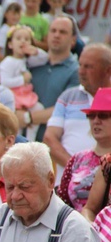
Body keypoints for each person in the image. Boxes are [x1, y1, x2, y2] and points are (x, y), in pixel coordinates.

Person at [44, 43, 111, 175]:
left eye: (88, 67)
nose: (80, 71)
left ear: (108, 70)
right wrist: (77, 169)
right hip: (68, 185)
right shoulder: (68, 97)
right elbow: (49, 138)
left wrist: (101, 174)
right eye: (80, 65)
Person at [25, 15, 79, 142]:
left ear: (73, 40)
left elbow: (66, 108)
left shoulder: (76, 71)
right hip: (23, 142)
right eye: (53, 31)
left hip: (54, 144)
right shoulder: (31, 63)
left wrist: (28, 117)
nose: (56, 35)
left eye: (63, 32)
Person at [58, 88, 111, 211]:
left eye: (103, 116)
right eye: (91, 116)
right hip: (76, 226)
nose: (96, 121)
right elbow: (62, 202)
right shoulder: (78, 158)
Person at [0, 25, 47, 140]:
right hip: (13, 97)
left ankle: (30, 139)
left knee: (38, 108)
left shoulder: (27, 60)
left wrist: (34, 51)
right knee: (15, 123)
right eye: (18, 38)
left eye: (26, 39)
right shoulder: (7, 62)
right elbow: (4, 82)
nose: (23, 41)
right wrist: (22, 80)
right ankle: (15, 141)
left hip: (25, 95)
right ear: (10, 44)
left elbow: (45, 58)